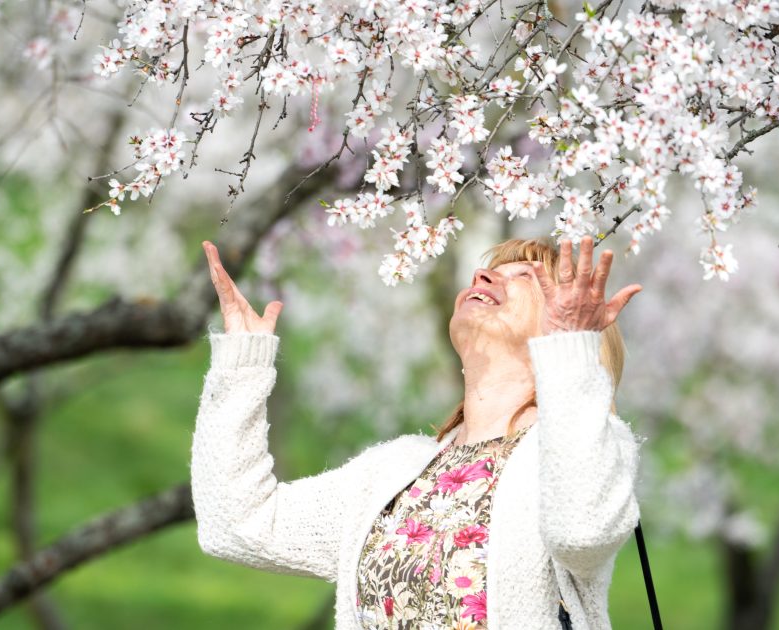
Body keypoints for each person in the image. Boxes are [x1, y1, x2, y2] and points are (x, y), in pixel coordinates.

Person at [192, 234, 644, 629]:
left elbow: (581, 535)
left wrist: (569, 350)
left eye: (525, 277)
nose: (483, 278)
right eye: (487, 271)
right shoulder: (393, 472)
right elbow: (237, 524)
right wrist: (242, 364)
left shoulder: (594, 448)